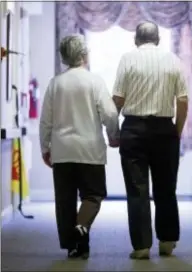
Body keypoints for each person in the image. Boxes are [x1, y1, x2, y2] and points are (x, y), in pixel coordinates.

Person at [112, 21, 188, 259]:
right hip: (165, 130)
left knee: (137, 190)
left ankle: (142, 246)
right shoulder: (173, 60)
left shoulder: (127, 59)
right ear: (158, 39)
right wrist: (177, 130)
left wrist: (114, 132)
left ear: (136, 39)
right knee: (166, 188)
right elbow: (183, 101)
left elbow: (117, 100)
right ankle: (167, 241)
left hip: (133, 129)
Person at [39, 34, 119, 259]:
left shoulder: (55, 83)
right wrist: (114, 135)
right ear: (84, 55)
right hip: (90, 150)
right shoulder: (95, 81)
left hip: (62, 151)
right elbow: (110, 113)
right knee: (93, 195)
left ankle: (74, 246)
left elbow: (46, 120)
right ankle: (81, 226)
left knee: (65, 201)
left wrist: (45, 147)